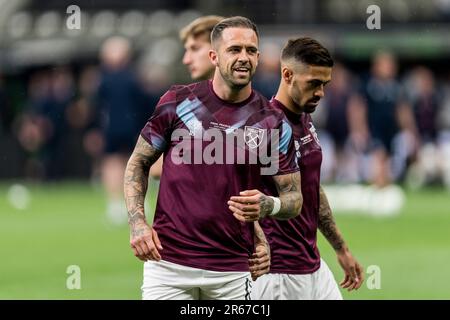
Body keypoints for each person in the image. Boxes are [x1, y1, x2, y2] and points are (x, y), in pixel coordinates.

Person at [124, 16, 302, 300]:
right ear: (214, 56)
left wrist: (268, 206)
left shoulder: (271, 121)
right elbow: (138, 164)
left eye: (251, 50)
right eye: (234, 50)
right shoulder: (177, 102)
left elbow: (292, 198)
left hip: (232, 270)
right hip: (168, 264)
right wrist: (138, 224)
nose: (244, 57)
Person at [245, 37, 364, 299]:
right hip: (278, 275)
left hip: (312, 266)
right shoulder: (267, 128)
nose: (321, 92)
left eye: (325, 84)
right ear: (287, 75)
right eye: (314, 83)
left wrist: (340, 248)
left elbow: (312, 188)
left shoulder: (305, 119)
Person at [149, 15, 224, 179]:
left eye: (195, 48)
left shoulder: (257, 105)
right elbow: (155, 168)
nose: (186, 59)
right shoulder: (183, 103)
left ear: (218, 49)